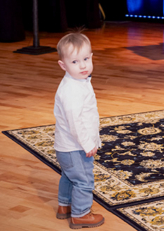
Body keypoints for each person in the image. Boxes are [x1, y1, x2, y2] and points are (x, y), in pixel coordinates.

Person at [54, 32, 105, 229]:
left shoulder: (78, 81)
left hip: (68, 147)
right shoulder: (71, 90)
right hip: (75, 147)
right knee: (83, 180)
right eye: (75, 62)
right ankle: (80, 214)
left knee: (69, 176)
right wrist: (88, 144)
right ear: (63, 65)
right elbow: (75, 122)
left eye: (86, 59)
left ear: (91, 57)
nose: (83, 65)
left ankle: (65, 205)